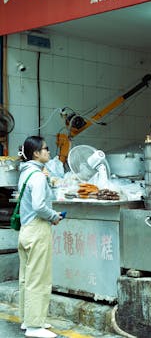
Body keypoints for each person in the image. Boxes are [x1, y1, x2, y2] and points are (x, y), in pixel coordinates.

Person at [17, 136, 63, 338]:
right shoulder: (36, 176)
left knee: (26, 277)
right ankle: (35, 326)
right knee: (39, 277)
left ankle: (28, 319)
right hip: (37, 229)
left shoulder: (27, 173)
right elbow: (39, 205)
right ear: (36, 153)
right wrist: (54, 216)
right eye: (46, 149)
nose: (49, 152)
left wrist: (47, 179)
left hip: (26, 230)